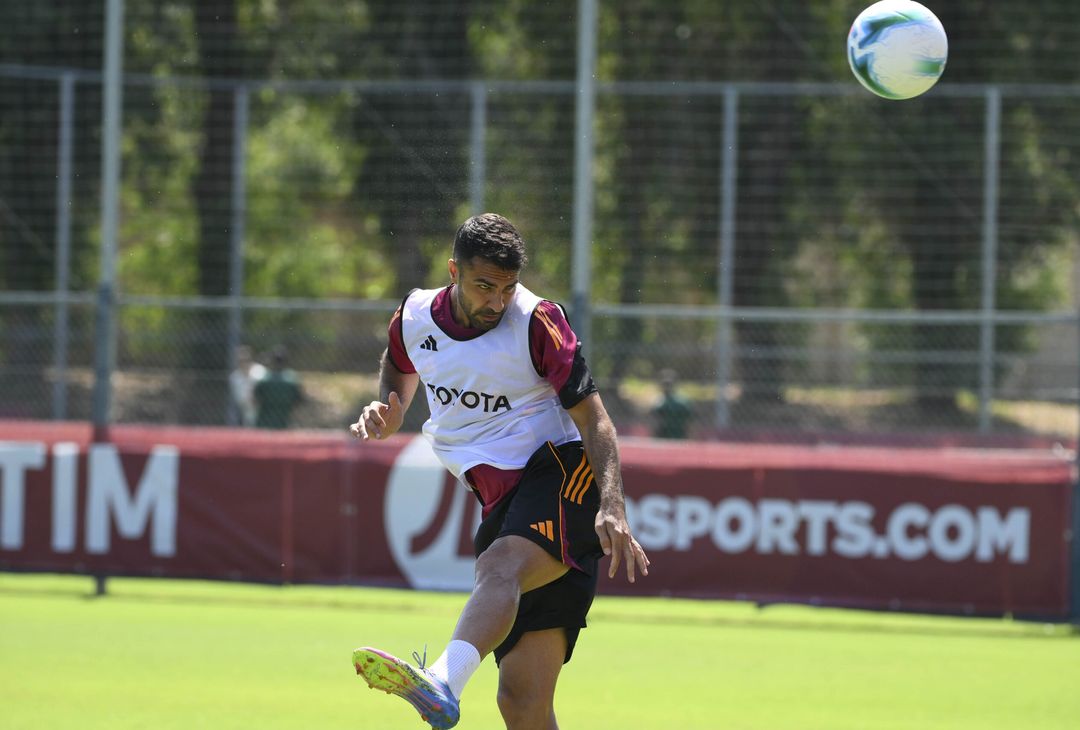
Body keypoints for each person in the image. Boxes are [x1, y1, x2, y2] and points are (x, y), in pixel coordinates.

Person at [349, 213, 650, 730]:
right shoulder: (413, 316)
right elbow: (397, 367)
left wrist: (612, 505)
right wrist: (389, 409)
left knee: (499, 568)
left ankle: (442, 680)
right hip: (500, 500)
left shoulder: (539, 322)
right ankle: (447, 681)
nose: (496, 301)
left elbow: (595, 419)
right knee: (521, 702)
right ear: (453, 271)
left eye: (507, 288)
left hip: (562, 472)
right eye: (484, 286)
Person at [253, 345, 303, 429]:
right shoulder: (292, 380)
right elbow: (298, 401)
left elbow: (255, 400)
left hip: (264, 422)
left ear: (272, 361)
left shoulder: (264, 379)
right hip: (284, 422)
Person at [228, 345, 266, 427]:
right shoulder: (235, 378)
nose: (243, 363)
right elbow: (240, 399)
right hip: (249, 412)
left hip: (265, 411)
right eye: (241, 360)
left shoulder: (260, 372)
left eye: (246, 360)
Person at [652, 368, 693, 439]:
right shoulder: (658, 401)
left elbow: (690, 424)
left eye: (668, 384)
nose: (667, 387)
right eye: (665, 384)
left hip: (679, 436)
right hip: (663, 436)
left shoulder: (682, 402)